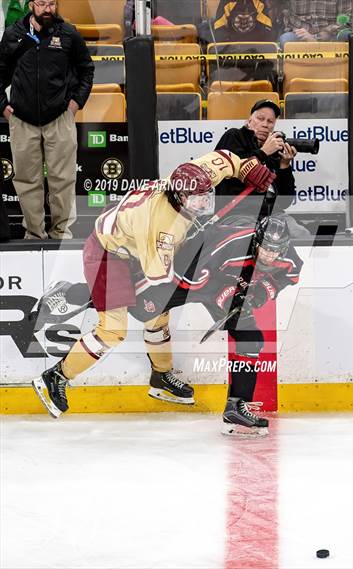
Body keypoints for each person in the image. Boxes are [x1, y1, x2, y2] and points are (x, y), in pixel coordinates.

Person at [31, 150, 276, 419]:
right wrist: (192, 245)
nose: (203, 203)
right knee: (113, 329)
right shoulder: (163, 229)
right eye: (196, 200)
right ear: (179, 196)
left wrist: (247, 168)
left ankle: (160, 377)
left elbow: (227, 157)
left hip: (131, 240)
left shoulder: (194, 176)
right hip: (108, 253)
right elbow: (160, 280)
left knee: (158, 316)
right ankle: (55, 376)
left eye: (206, 196)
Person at [33, 213, 303, 436]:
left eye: (274, 250)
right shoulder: (229, 245)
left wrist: (261, 291)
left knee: (251, 339)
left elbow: (287, 277)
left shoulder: (287, 255)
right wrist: (228, 295)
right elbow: (191, 281)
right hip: (190, 273)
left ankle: (236, 407)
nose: (269, 256)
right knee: (135, 305)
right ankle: (69, 292)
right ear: (256, 240)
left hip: (224, 281)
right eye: (265, 248)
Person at [0, 0, 94, 239]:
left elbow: (86, 70)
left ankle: (61, 233)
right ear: (31, 5)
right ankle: (34, 234)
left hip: (59, 118)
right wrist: (4, 109)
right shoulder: (13, 34)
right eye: (42, 3)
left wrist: (74, 105)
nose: (48, 9)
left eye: (52, 3)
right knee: (27, 181)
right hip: (22, 120)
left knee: (62, 180)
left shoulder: (68, 34)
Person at [214, 98, 310, 236]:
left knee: (302, 234)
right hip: (237, 215)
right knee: (257, 238)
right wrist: (263, 152)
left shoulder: (274, 149)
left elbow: (285, 201)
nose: (265, 125)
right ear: (249, 120)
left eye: (270, 121)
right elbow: (236, 169)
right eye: (260, 118)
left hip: (273, 216)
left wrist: (284, 167)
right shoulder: (234, 136)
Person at [278, 0, 353, 48]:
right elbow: (288, 17)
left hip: (331, 34)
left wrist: (317, 38)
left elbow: (345, 19)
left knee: (347, 36)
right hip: (301, 34)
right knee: (285, 39)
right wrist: (298, 31)